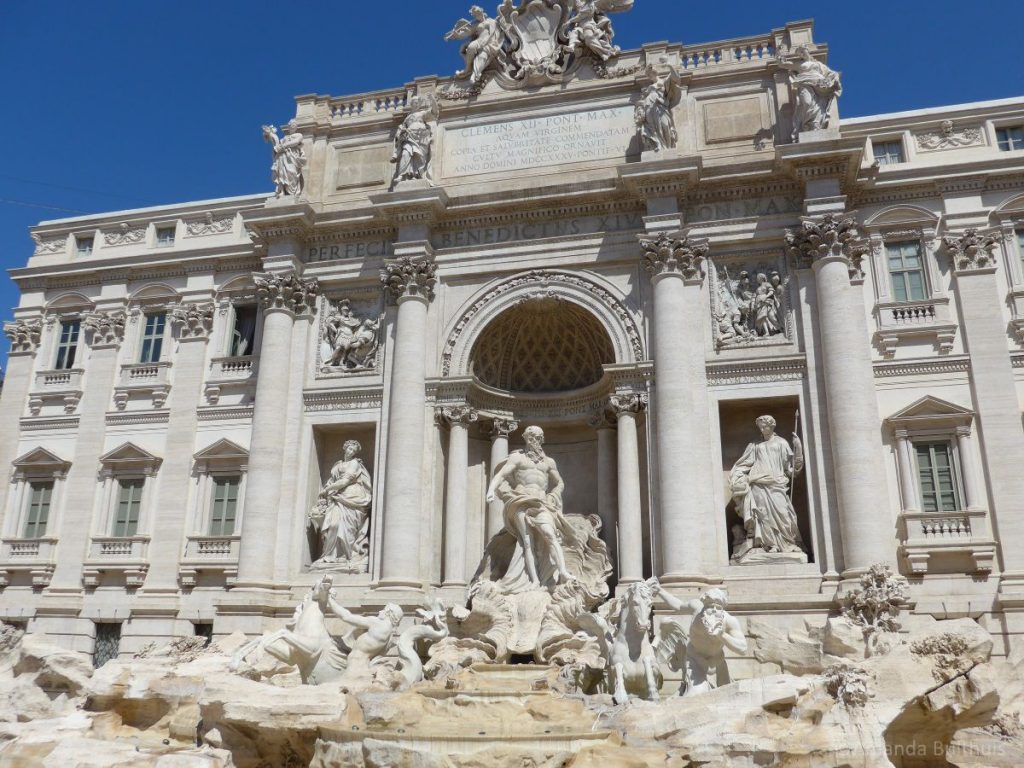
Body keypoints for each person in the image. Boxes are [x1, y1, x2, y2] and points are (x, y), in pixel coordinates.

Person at [485, 426, 575, 587]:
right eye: (532, 437)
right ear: (526, 438)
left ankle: (563, 572)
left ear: (542, 440)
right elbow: (502, 474)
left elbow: (559, 482)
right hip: (521, 500)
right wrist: (491, 490)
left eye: (538, 438)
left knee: (550, 535)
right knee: (527, 541)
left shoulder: (548, 462)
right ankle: (534, 581)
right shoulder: (518, 458)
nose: (535, 441)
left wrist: (553, 495)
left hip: (542, 502)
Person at [729, 415, 805, 562]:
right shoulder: (754, 445)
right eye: (761, 427)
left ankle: (786, 543)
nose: (763, 429)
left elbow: (792, 470)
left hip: (777, 484)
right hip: (757, 485)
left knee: (784, 514)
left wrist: (799, 448)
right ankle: (768, 545)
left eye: (765, 426)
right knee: (762, 517)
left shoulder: (782, 443)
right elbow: (743, 465)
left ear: (772, 426)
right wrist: (738, 478)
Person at [653, 582, 748, 696]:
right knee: (697, 695)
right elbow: (678, 605)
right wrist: (660, 591)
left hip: (717, 661)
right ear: (704, 607)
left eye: (718, 608)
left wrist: (722, 635)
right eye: (710, 607)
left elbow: (743, 648)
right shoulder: (696, 608)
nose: (714, 610)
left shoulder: (729, 621)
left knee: (728, 696)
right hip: (695, 659)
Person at [308, 440, 372, 566]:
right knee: (333, 524)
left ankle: (344, 555)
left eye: (354, 450)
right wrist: (328, 489)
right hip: (337, 497)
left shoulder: (354, 464)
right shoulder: (338, 465)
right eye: (350, 449)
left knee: (346, 527)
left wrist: (326, 490)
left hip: (352, 497)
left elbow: (344, 482)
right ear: (345, 448)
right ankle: (329, 556)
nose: (351, 452)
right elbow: (333, 480)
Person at [780, 46, 842, 141]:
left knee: (818, 107)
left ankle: (815, 127)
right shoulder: (799, 64)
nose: (801, 53)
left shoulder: (818, 64)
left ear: (807, 50)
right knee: (807, 103)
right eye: (799, 53)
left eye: (802, 51)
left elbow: (830, 73)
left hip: (819, 86)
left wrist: (835, 77)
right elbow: (782, 64)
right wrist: (779, 54)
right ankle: (806, 125)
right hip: (804, 84)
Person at [262, 124, 305, 197]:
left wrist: (284, 146)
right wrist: (271, 135)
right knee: (281, 173)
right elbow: (277, 146)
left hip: (292, 157)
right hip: (283, 156)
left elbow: (296, 141)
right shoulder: (284, 138)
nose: (291, 127)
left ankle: (292, 193)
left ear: (296, 127)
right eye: (290, 125)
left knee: (292, 173)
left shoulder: (299, 135)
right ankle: (282, 191)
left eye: (293, 125)